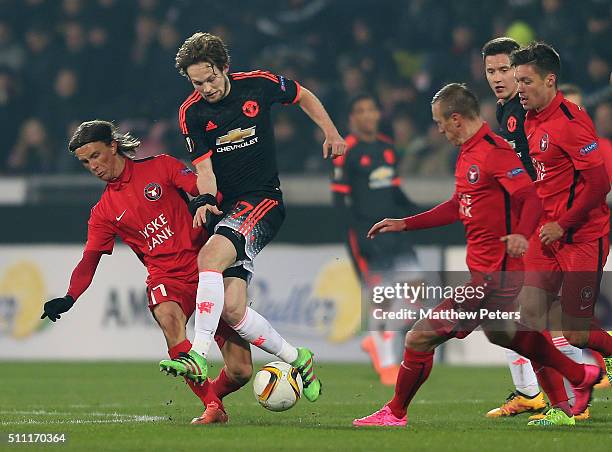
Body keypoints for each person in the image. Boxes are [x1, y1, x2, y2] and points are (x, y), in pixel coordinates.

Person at [352, 83, 603, 428]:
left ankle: (394, 413)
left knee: (419, 336)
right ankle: (581, 374)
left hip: (494, 277)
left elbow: (530, 196)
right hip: (485, 273)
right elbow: (458, 206)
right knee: (505, 334)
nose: (438, 130)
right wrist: (405, 224)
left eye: (440, 123)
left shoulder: (493, 151)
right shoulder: (468, 152)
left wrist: (521, 234)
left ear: (456, 119)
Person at [160, 32, 346, 402]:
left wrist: (331, 131)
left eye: (211, 78)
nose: (207, 88)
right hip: (228, 211)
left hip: (263, 201)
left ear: (224, 67)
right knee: (232, 309)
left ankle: (197, 353)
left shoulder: (258, 85)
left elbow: (303, 94)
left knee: (208, 258)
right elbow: (204, 169)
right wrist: (206, 197)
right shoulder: (191, 113)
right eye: (198, 83)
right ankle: (299, 358)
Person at [41, 120, 251, 425]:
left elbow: (206, 190)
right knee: (168, 319)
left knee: (241, 371)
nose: (93, 167)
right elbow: (90, 259)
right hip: (166, 278)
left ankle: (213, 398)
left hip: (206, 267)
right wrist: (70, 297)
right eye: (85, 162)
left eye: (96, 156)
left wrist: (210, 205)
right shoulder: (104, 211)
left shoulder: (162, 167)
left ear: (113, 146)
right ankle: (212, 407)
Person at [481, 37, 590, 420]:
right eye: (491, 70)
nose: (498, 77)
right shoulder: (507, 111)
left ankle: (577, 394)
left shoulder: (527, 112)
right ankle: (533, 392)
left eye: (505, 70)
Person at [510, 41, 612, 425]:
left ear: (550, 80)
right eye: (517, 80)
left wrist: (563, 223)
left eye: (527, 80)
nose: (520, 88)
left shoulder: (570, 123)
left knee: (576, 333)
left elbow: (598, 183)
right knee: (528, 321)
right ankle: (562, 408)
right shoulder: (530, 117)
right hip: (545, 235)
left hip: (582, 236)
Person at [331, 93, 422, 385]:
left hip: (394, 231)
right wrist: (354, 238)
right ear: (352, 118)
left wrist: (422, 214)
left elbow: (395, 193)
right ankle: (386, 361)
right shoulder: (347, 151)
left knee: (415, 293)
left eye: (372, 109)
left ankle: (375, 340)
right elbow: (339, 202)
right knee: (382, 299)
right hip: (366, 234)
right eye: (361, 110)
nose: (367, 115)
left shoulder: (387, 148)